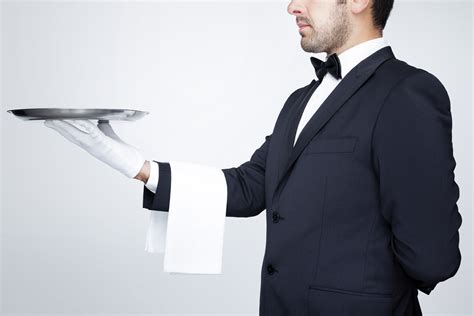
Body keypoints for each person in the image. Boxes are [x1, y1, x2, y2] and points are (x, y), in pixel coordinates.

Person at [44, 0, 463, 315]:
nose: (292, 6)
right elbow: (250, 186)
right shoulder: (300, 100)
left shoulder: (407, 93)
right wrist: (131, 162)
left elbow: (432, 255)